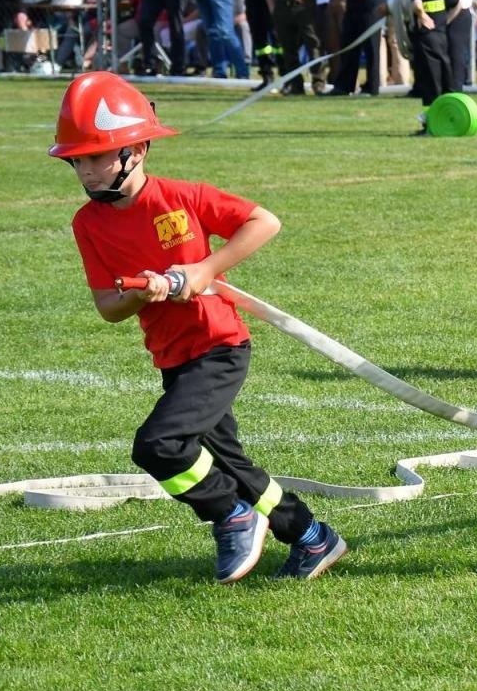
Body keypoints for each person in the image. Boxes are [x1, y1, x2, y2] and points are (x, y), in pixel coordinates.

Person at [49, 72, 347, 582]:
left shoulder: (182, 199)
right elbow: (106, 305)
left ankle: (228, 515)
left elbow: (264, 222)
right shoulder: (87, 224)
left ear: (136, 150)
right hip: (172, 355)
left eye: (96, 157)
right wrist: (139, 293)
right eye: (77, 160)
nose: (86, 171)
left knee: (158, 446)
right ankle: (312, 537)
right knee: (230, 462)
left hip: (218, 347)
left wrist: (204, 269)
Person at [407, 0, 464, 119]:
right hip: (441, 37)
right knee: (444, 76)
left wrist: (422, 15)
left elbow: (417, 4)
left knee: (430, 81)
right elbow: (458, 3)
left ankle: (432, 119)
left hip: (425, 40)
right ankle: (447, 116)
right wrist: (445, 21)